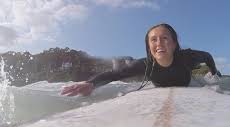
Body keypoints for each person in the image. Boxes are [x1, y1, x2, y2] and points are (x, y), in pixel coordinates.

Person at [61, 23, 221, 96]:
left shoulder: (187, 57)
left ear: (173, 44)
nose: (159, 44)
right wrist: (91, 83)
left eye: (164, 38)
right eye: (153, 40)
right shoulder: (144, 64)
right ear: (148, 45)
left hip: (188, 81)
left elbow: (207, 56)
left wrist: (214, 74)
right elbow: (115, 74)